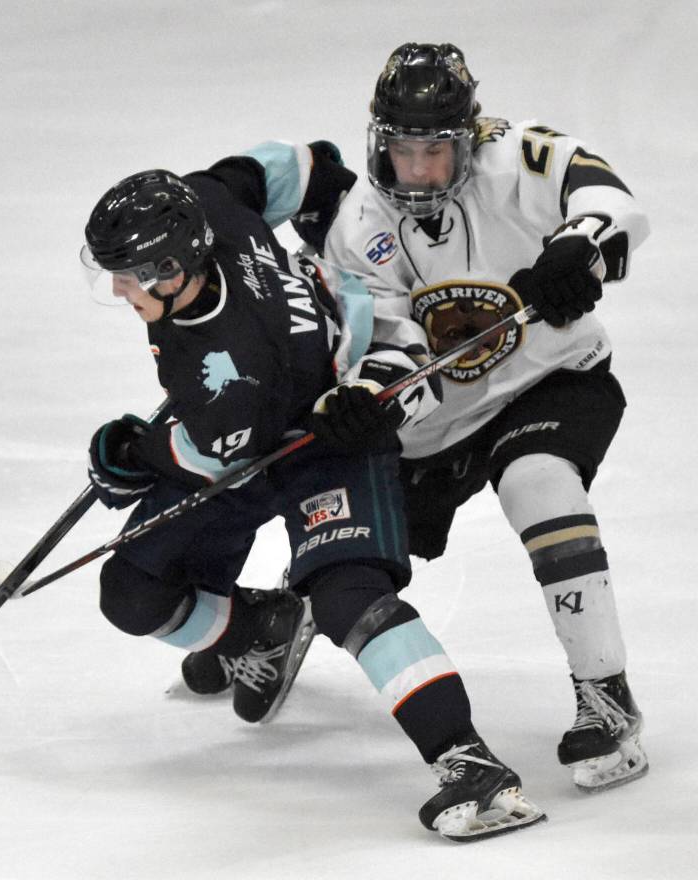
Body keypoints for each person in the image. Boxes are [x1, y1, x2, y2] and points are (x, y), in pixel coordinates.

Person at [79, 162, 545, 839]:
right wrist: (336, 218)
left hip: (336, 428)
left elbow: (204, 453)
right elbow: (302, 163)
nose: (119, 288)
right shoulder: (209, 203)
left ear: (175, 268)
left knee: (347, 597)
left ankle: (469, 761)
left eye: (130, 273)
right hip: (259, 429)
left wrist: (126, 454)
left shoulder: (235, 371)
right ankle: (259, 633)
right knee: (132, 591)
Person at [238, 41, 650, 793]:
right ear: (378, 140)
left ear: (468, 137)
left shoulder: (519, 158)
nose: (418, 169)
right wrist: (375, 403)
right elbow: (393, 343)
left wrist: (577, 249)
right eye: (402, 149)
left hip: (553, 381)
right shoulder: (357, 225)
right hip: (441, 423)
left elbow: (615, 202)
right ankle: (289, 610)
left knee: (539, 482)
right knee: (353, 552)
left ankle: (607, 694)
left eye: (435, 149)